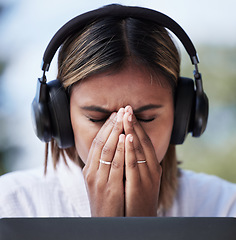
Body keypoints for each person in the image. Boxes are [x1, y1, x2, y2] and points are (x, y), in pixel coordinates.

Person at [0, 4, 236, 218]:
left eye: (145, 117)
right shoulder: (10, 205)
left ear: (184, 116)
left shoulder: (224, 207)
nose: (124, 136)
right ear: (57, 117)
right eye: (97, 118)